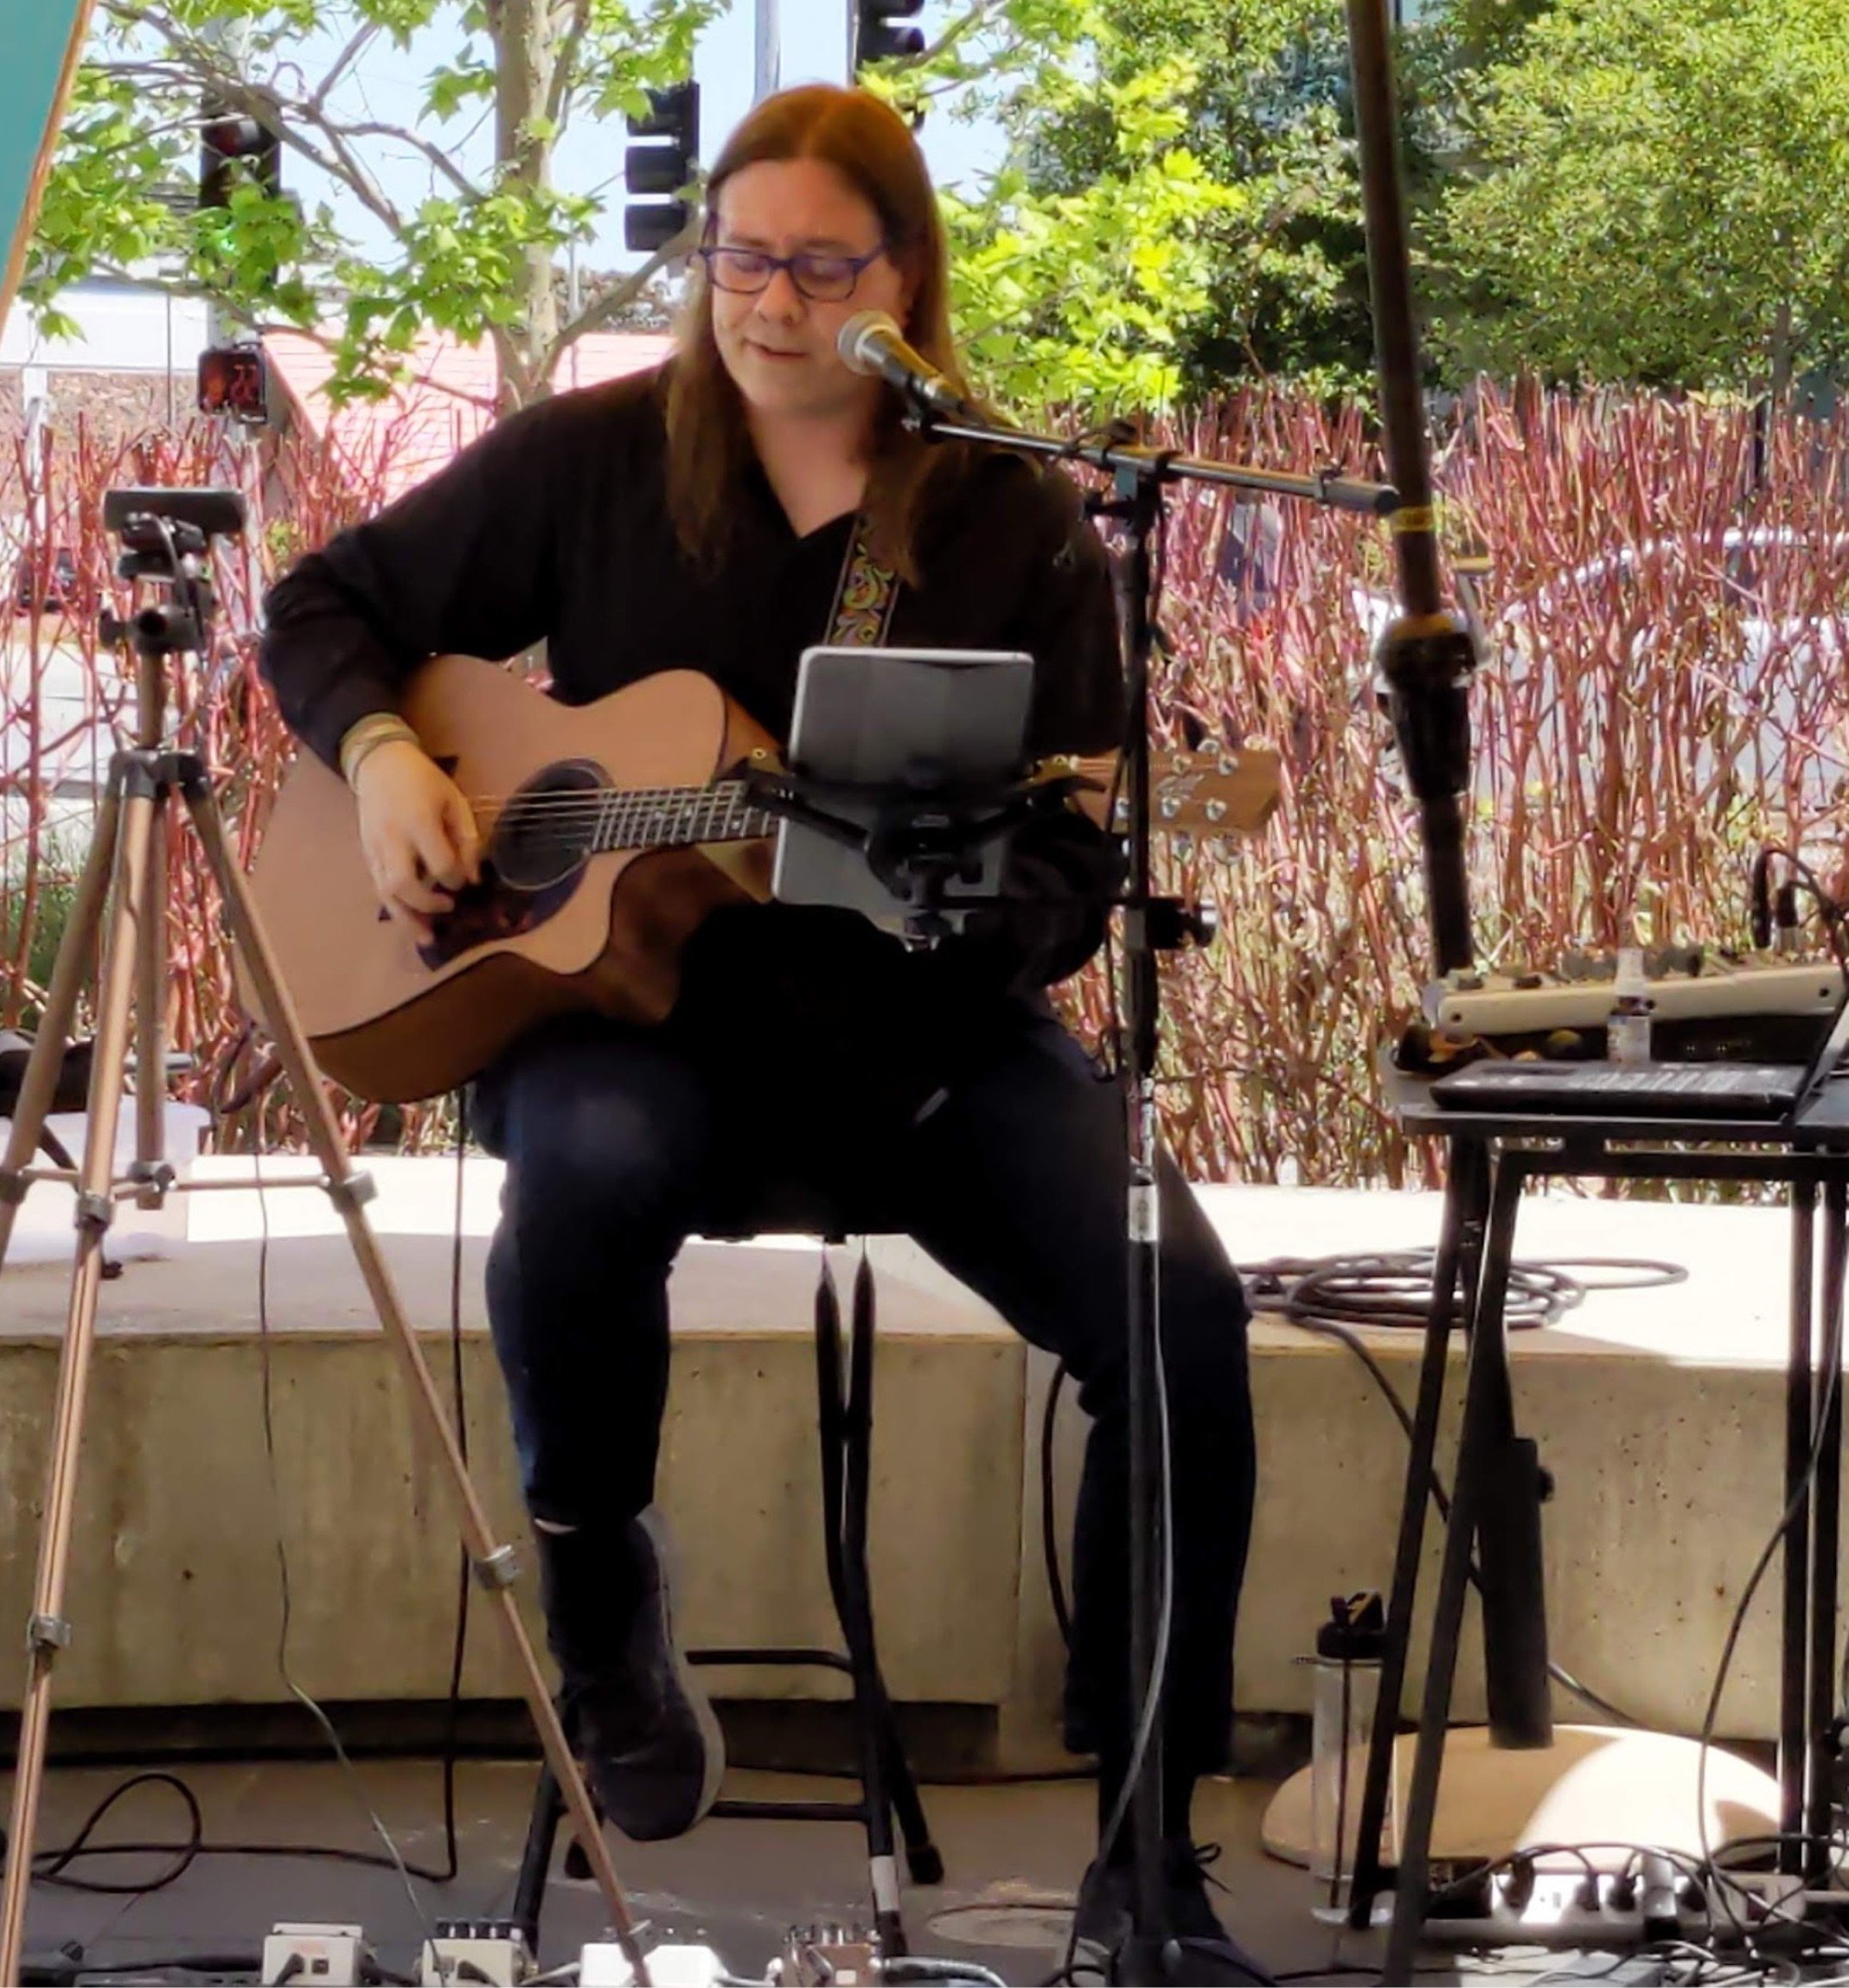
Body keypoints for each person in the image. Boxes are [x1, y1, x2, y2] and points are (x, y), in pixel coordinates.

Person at [259, 82, 1259, 1982]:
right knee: (594, 1162)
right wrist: (386, 754)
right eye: (736, 254)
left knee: (1179, 1315)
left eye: (816, 263)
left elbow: (1066, 845)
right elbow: (323, 604)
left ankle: (1150, 1855)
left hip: (907, 1031)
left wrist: (982, 903)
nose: (766, 299)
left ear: (904, 280)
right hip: (628, 1021)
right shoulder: (594, 458)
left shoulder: (1004, 515)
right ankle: (597, 1580)